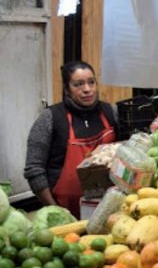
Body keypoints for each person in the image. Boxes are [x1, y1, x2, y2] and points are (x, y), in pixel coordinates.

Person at [24, 61, 118, 218]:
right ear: (67, 89)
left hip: (111, 209)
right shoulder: (50, 118)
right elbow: (33, 170)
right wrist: (56, 211)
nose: (87, 89)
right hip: (67, 212)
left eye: (91, 82)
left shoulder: (110, 112)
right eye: (78, 84)